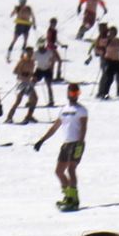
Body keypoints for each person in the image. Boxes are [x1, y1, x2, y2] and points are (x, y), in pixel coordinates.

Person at [34, 82, 88, 210]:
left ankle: (74, 199)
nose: (74, 96)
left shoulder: (81, 110)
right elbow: (55, 127)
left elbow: (83, 127)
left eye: (76, 93)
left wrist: (80, 143)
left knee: (71, 169)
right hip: (66, 144)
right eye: (72, 93)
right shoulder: (63, 110)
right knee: (59, 171)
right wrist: (42, 140)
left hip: (76, 143)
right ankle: (67, 196)